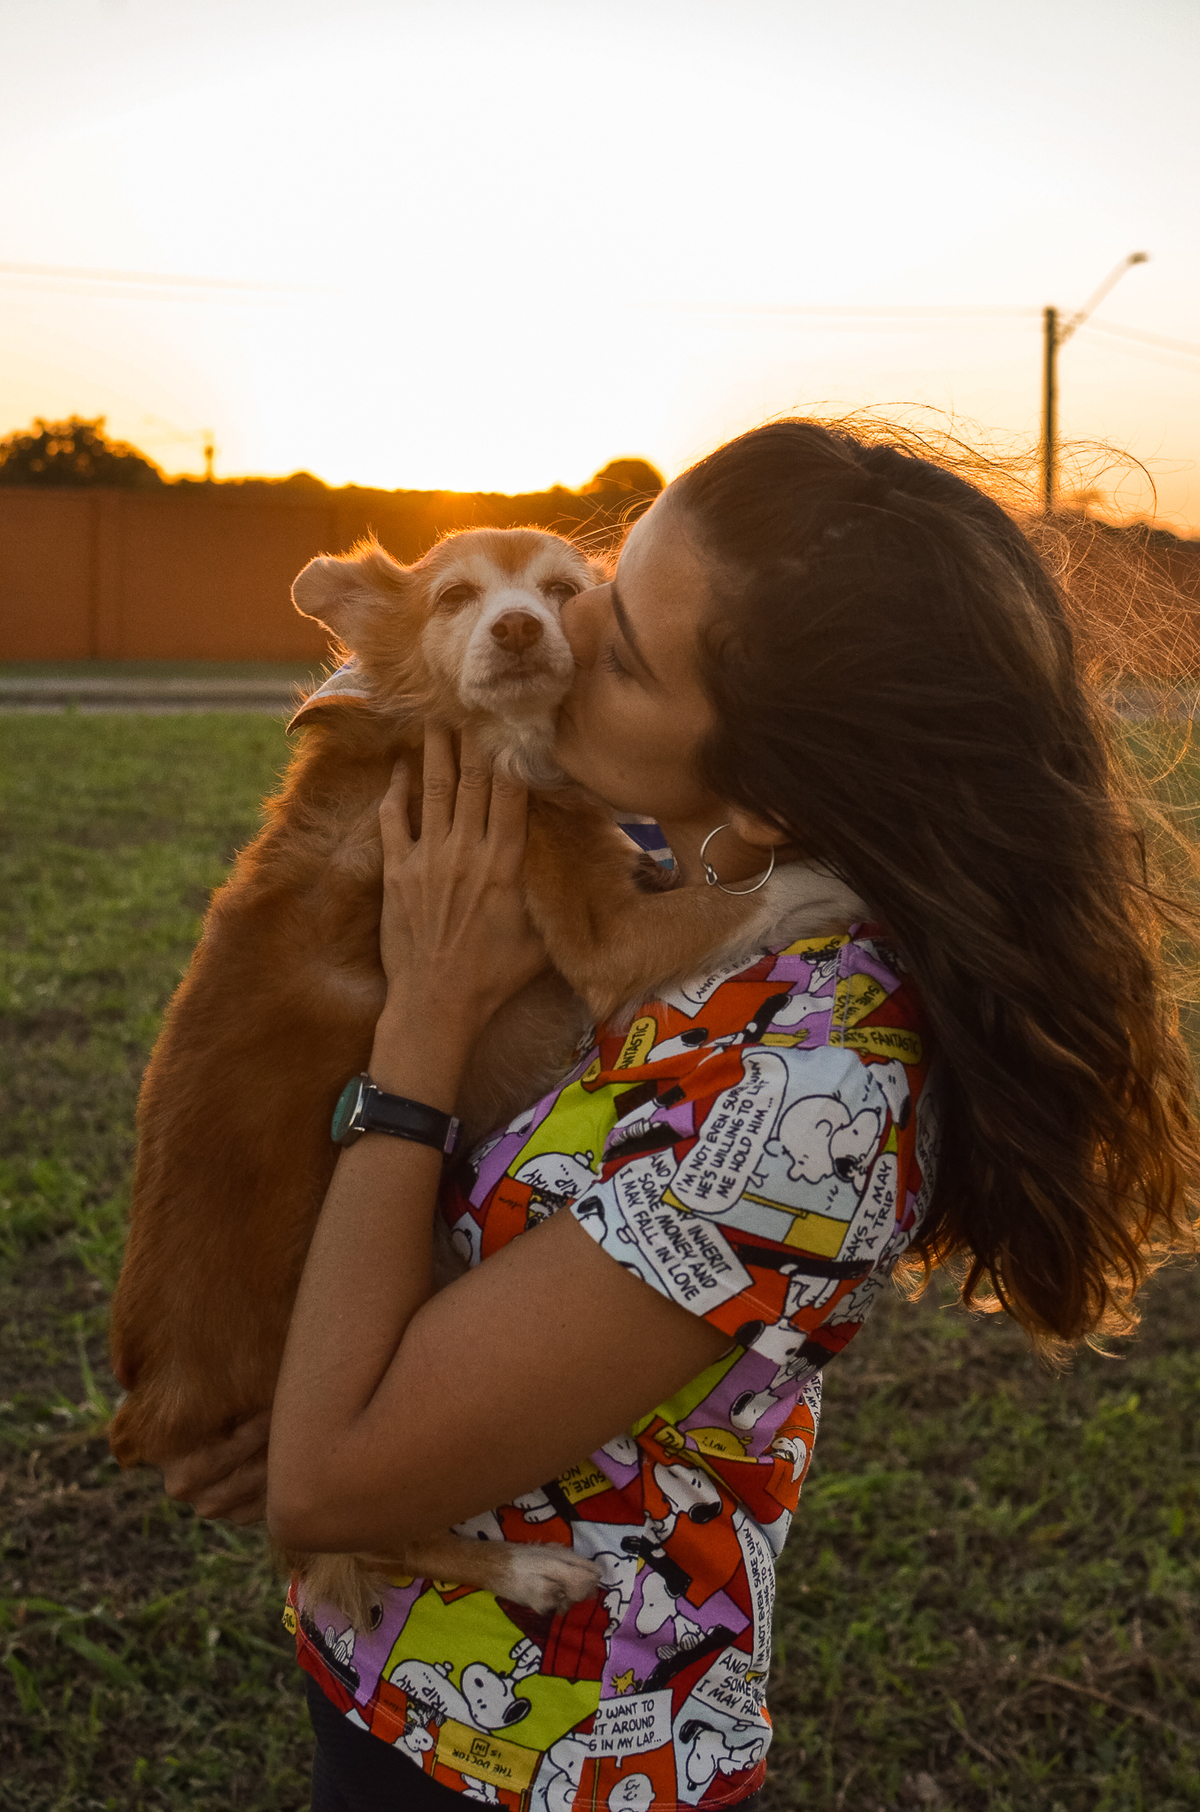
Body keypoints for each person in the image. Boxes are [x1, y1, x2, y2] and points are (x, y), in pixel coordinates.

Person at [163, 420, 1199, 1811]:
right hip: (390, 1680)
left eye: (628, 650)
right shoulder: (662, 863)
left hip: (556, 1751)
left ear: (771, 782)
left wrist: (418, 1034)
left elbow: (331, 1486)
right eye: (609, 577)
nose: (568, 638)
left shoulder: (804, 1077)